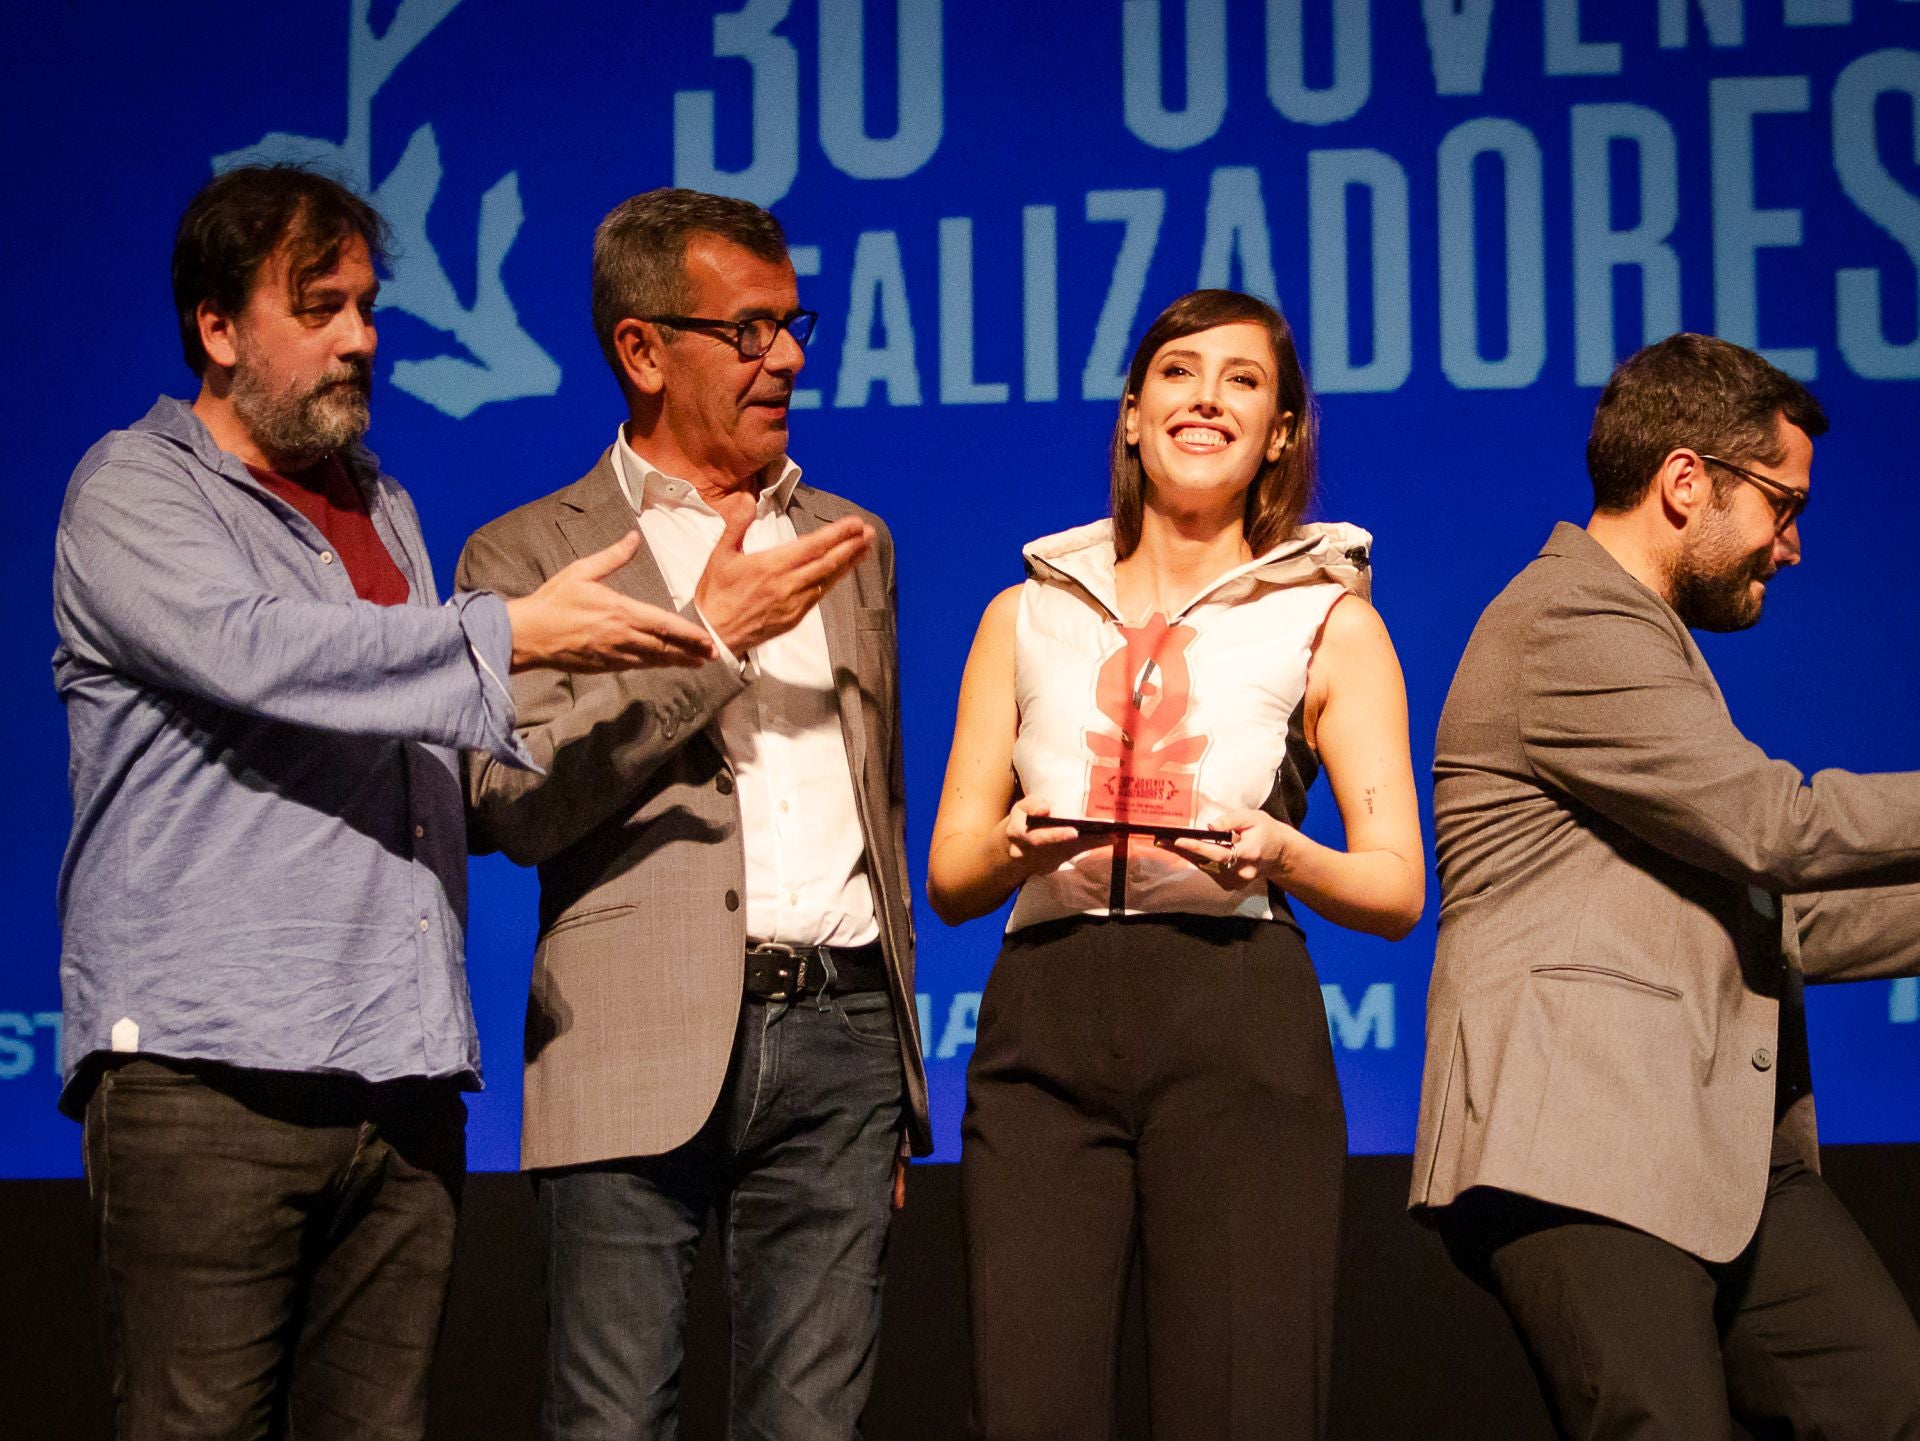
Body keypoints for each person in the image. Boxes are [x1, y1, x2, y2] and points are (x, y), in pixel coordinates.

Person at [52, 165, 712, 1441]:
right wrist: (513, 630)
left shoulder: (385, 508)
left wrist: (676, 662)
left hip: (399, 1076)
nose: (361, 336)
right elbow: (267, 652)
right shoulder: (133, 490)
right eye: (319, 306)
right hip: (211, 1073)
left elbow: (431, 762)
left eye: (365, 303)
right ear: (218, 327)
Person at [458, 187, 928, 1441]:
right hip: (626, 1034)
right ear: (643, 349)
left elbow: (880, 803)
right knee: (610, 1419)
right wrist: (713, 644)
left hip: (839, 1037)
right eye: (749, 330)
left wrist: (894, 1068)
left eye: (794, 324)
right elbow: (510, 806)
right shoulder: (521, 557)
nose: (787, 358)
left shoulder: (849, 541)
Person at [927, 289, 1424, 1441]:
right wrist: (1014, 843)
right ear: (1133, 416)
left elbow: (1396, 886)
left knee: (1244, 1408)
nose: (1207, 398)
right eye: (1180, 373)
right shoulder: (1024, 614)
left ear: (1282, 434)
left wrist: (1282, 850)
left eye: (1244, 381)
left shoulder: (1329, 620)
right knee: (1029, 1408)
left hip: (1237, 1014)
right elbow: (951, 873)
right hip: (1039, 1026)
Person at [1410, 332, 1920, 1438]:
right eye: (1781, 506)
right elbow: (1776, 827)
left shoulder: (1643, 645)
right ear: (1686, 482)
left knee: (1884, 1393)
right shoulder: (1568, 620)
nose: (1790, 548)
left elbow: (1784, 920)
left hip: (1712, 1150)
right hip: (1584, 1140)